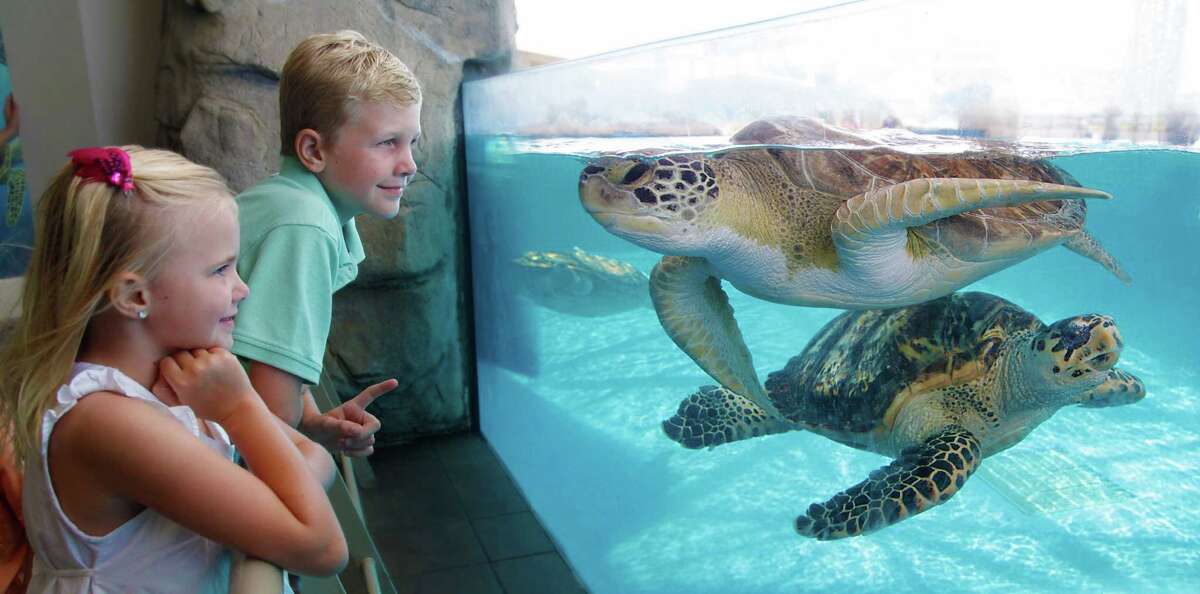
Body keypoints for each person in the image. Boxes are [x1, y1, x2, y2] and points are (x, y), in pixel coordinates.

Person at [0, 146, 347, 592]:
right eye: (220, 269)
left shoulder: (179, 374)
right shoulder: (108, 422)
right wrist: (240, 409)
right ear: (134, 297)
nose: (242, 287)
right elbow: (322, 549)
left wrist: (263, 499)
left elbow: (317, 461)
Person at [233, 30, 421, 454]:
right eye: (388, 142)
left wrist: (314, 424)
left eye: (413, 142)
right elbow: (270, 421)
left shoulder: (286, 201)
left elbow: (259, 362)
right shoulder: (306, 227)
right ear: (314, 150)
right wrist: (306, 446)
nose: (409, 164)